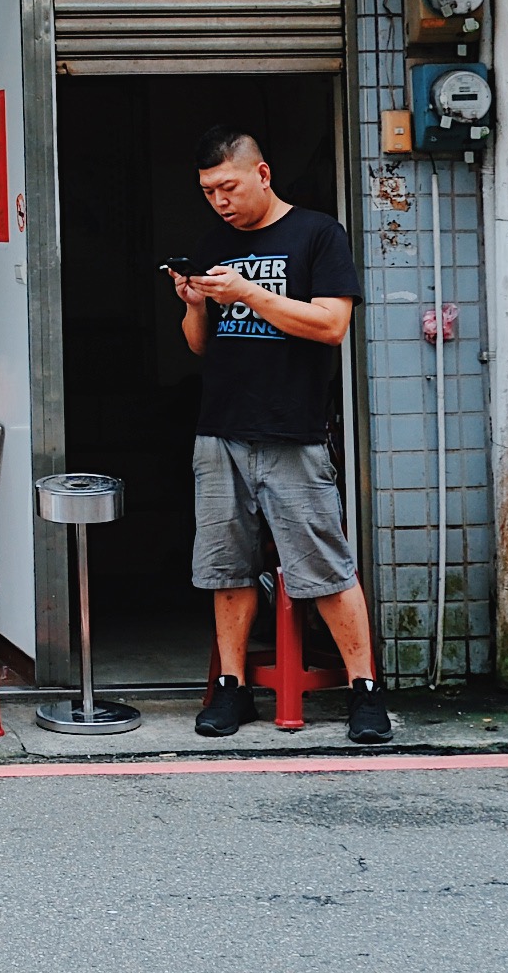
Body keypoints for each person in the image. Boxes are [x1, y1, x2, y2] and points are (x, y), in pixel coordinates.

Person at [174, 126, 391, 746]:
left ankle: (365, 690)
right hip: (219, 428)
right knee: (225, 567)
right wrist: (192, 302)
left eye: (229, 187)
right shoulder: (215, 240)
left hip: (292, 429)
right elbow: (200, 346)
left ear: (262, 175)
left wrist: (249, 292)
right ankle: (233, 690)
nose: (219, 201)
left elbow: (330, 325)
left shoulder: (318, 233)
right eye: (209, 191)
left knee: (323, 562)